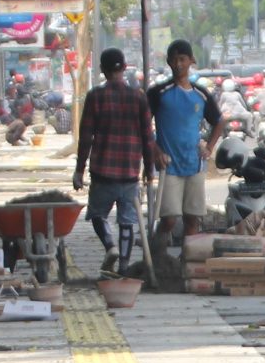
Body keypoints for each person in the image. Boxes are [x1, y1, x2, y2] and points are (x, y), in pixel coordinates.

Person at [72, 48, 154, 278]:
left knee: (98, 215)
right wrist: (149, 169)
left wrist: (79, 170)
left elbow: (86, 136)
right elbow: (148, 138)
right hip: (129, 171)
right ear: (124, 68)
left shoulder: (95, 96)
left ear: (102, 70)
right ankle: (124, 266)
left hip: (102, 171)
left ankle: (111, 246)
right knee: (127, 220)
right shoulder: (138, 98)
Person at [145, 39, 213, 251]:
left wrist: (209, 146)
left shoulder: (201, 94)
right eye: (174, 60)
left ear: (191, 60)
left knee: (192, 219)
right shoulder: (158, 93)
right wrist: (156, 149)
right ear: (168, 62)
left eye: (182, 59)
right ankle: (156, 259)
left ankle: (186, 263)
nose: (178, 64)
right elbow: (143, 125)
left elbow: (219, 121)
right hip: (169, 166)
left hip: (194, 164)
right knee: (169, 219)